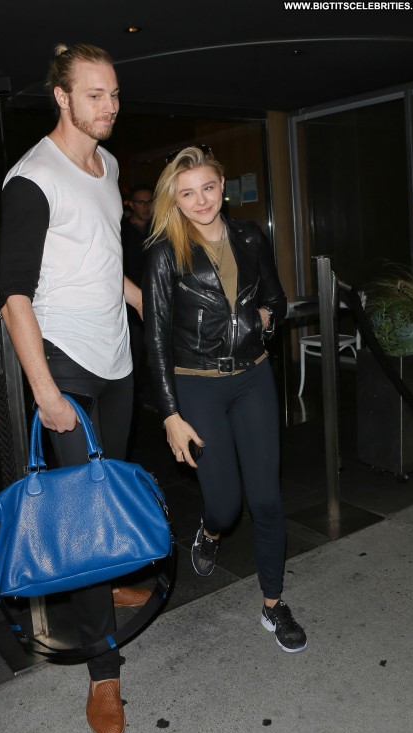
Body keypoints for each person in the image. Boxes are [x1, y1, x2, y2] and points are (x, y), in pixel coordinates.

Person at [0, 43, 148, 733]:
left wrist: (145, 302)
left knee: (108, 491)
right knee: (84, 518)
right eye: (94, 94)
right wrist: (45, 391)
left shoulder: (108, 166)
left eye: (113, 93)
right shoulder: (32, 178)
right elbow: (14, 298)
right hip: (65, 364)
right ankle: (102, 670)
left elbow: (102, 257)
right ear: (62, 98)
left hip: (117, 359)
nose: (109, 106)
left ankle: (107, 581)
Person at [142, 145, 307, 654]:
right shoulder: (165, 253)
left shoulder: (250, 236)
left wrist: (264, 320)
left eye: (208, 188)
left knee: (267, 500)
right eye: (187, 193)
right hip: (197, 385)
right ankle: (210, 532)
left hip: (253, 377)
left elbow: (276, 300)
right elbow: (155, 338)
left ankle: (274, 604)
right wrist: (170, 414)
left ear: (222, 188)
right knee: (225, 505)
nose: (201, 201)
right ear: (174, 199)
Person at [121, 185, 154, 407]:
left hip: (155, 299)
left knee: (156, 354)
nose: (146, 207)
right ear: (132, 205)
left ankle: (152, 399)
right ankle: (131, 401)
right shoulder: (121, 230)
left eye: (150, 202)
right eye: (141, 202)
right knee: (133, 354)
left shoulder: (158, 229)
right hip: (129, 304)